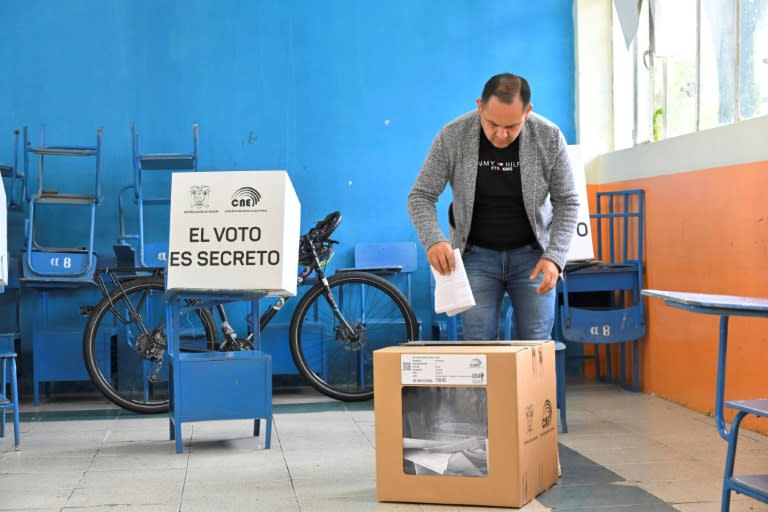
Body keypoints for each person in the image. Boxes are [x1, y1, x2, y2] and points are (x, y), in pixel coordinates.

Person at [407, 72, 579, 341]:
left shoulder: (549, 137)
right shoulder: (452, 136)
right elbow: (421, 196)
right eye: (492, 123)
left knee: (535, 344)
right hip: (476, 256)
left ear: (527, 112)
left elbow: (567, 201)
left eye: (512, 126)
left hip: (533, 257)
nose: (501, 135)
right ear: (479, 106)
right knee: (479, 345)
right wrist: (434, 241)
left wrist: (555, 256)